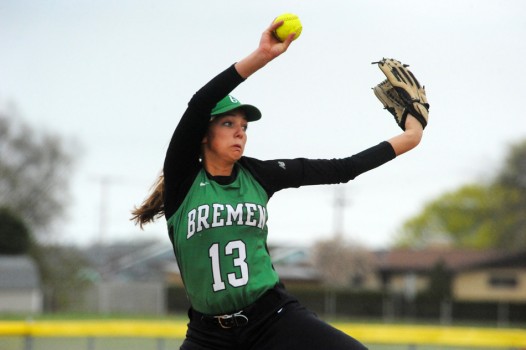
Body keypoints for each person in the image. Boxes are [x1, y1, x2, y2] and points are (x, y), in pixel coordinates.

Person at [131, 19, 424, 350]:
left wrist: (410, 137)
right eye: (228, 123)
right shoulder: (183, 180)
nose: (240, 131)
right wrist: (263, 55)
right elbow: (201, 102)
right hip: (208, 335)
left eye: (244, 125)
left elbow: (342, 169)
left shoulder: (259, 175)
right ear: (202, 135)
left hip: (272, 318)